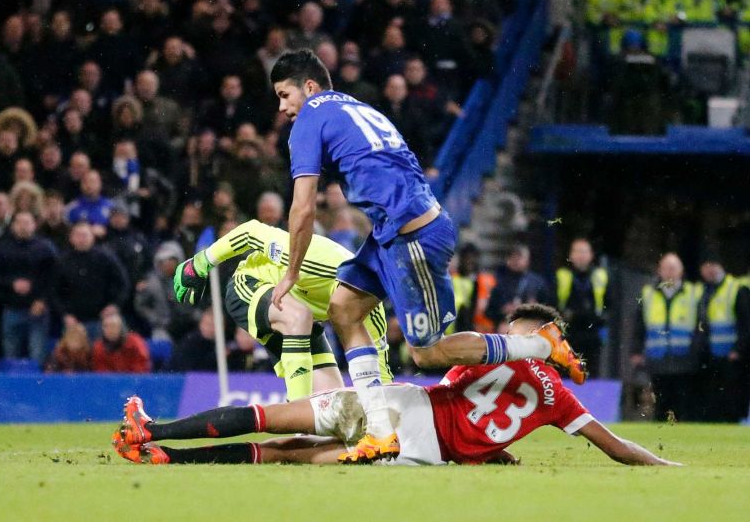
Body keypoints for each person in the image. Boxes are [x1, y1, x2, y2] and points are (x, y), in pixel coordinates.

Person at [269, 48, 586, 462]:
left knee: (427, 352)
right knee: (343, 309)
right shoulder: (355, 108)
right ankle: (380, 432)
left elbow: (303, 207)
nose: (282, 107)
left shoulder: (310, 118)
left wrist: (291, 272)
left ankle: (539, 346)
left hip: (412, 239)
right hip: (396, 232)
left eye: (284, 95)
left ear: (309, 88)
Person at [112, 304, 677, 467]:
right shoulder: (558, 397)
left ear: (529, 335)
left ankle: (153, 429)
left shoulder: (489, 354)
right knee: (291, 456)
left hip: (400, 409)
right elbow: (616, 447)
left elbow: (433, 356)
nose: (506, 334)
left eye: (517, 331)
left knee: (279, 418)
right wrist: (666, 467)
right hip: (422, 456)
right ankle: (168, 459)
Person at [173, 219, 383, 400]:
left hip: (298, 319)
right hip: (249, 284)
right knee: (299, 316)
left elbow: (382, 376)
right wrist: (200, 263)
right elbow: (250, 232)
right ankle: (299, 422)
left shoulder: (372, 307)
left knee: (338, 408)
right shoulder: (316, 261)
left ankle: (304, 432)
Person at [632, 253, 701, 421]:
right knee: (660, 402)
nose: (670, 272)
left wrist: (696, 351)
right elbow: (639, 326)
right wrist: (636, 351)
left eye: (673, 268)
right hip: (657, 357)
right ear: (659, 270)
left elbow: (701, 325)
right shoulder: (648, 293)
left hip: (684, 357)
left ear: (681, 271)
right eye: (666, 268)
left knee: (683, 402)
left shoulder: (693, 293)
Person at [0, 211, 58, 363]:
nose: (23, 227)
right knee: (11, 354)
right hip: (11, 308)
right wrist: (12, 283)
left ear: (34, 225)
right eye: (19, 222)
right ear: (13, 226)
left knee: (37, 355)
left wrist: (42, 300)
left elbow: (53, 279)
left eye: (27, 223)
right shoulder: (2, 248)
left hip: (38, 309)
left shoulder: (45, 248)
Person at [695, 255, 750, 422]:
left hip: (731, 355)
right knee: (714, 397)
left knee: (732, 396)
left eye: (713, 265)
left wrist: (738, 349)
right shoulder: (702, 290)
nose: (709, 269)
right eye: (706, 265)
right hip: (711, 354)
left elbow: (746, 323)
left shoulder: (736, 288)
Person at [52, 222, 129, 340]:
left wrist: (115, 305)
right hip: (74, 321)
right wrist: (65, 314)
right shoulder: (62, 261)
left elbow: (123, 283)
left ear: (92, 237)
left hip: (103, 319)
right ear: (71, 238)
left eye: (85, 235)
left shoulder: (106, 257)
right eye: (78, 235)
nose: (81, 239)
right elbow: (54, 291)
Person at [555, 238, 609, 376]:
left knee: (591, 373)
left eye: (584, 252)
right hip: (569, 332)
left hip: (592, 332)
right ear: (571, 255)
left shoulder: (600, 276)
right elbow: (553, 302)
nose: (581, 256)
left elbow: (609, 304)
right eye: (577, 252)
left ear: (591, 255)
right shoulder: (562, 275)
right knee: (567, 373)